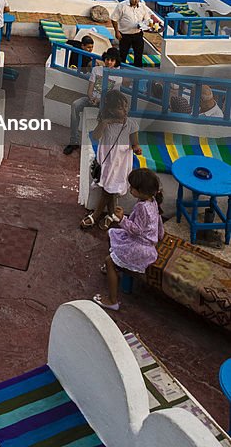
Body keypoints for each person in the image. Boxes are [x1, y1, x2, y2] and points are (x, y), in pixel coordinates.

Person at [94, 169, 164, 311]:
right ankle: (116, 265)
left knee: (109, 260)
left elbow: (136, 230)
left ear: (141, 191)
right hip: (145, 241)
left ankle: (112, 300)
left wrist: (121, 219)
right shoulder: (152, 200)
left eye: (132, 187)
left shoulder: (142, 207)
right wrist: (160, 236)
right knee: (112, 233)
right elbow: (157, 222)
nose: (130, 189)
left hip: (140, 246)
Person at [80, 90, 141, 231]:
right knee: (109, 188)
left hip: (121, 163)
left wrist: (137, 148)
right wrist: (106, 122)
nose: (125, 110)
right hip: (107, 161)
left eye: (126, 107)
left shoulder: (131, 124)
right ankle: (111, 215)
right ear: (111, 110)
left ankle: (96, 215)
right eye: (120, 108)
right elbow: (95, 136)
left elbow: (135, 143)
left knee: (108, 190)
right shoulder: (105, 123)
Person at [64, 48, 122, 154]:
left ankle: (101, 148)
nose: (109, 62)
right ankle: (74, 141)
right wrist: (91, 98)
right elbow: (90, 87)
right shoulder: (97, 70)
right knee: (75, 105)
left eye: (112, 60)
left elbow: (113, 96)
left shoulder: (118, 76)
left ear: (116, 61)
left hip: (106, 104)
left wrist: (100, 101)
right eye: (108, 59)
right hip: (91, 99)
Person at [112, 0, 159, 68]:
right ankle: (119, 73)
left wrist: (147, 25)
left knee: (138, 55)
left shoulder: (142, 6)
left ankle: (137, 75)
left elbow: (146, 19)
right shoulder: (122, 6)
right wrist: (117, 32)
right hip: (125, 35)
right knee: (122, 55)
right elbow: (114, 19)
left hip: (138, 34)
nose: (136, 1)